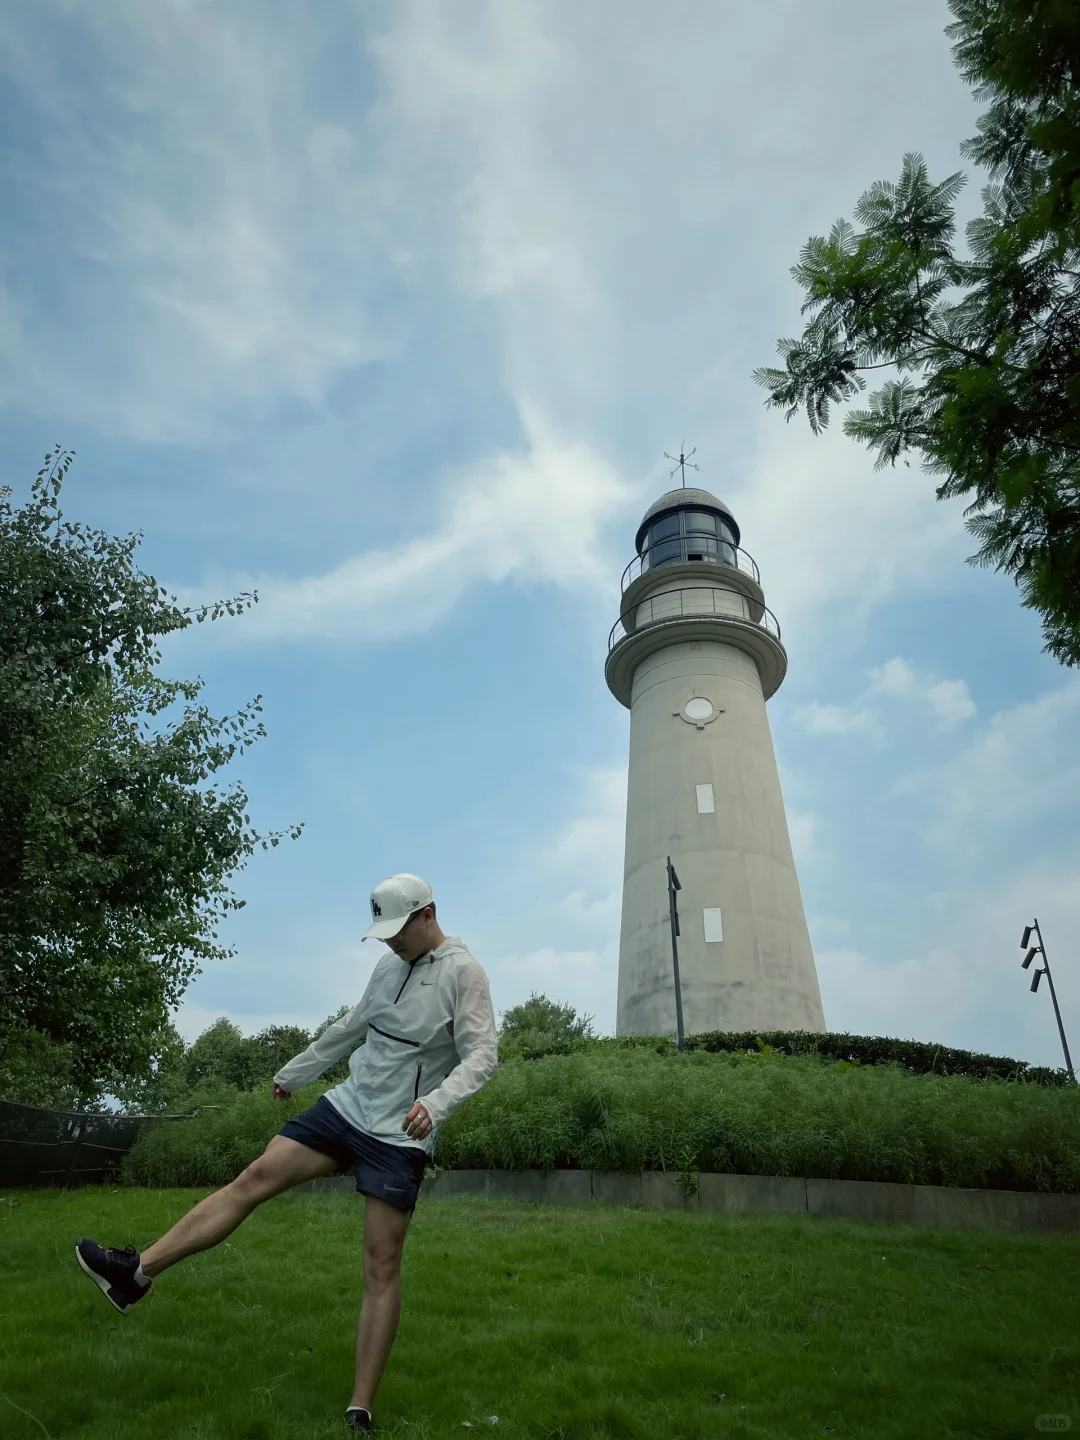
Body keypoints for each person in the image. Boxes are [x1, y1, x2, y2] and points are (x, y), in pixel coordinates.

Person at [75, 873, 499, 1433]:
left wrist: (438, 1104)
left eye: (399, 931)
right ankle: (135, 1274)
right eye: (385, 934)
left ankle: (360, 1408)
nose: (393, 942)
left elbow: (482, 1055)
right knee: (253, 1178)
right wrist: (293, 1073)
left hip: (400, 1132)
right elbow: (351, 1026)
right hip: (348, 1107)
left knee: (381, 1263)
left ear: (429, 914)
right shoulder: (388, 965)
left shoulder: (464, 973)